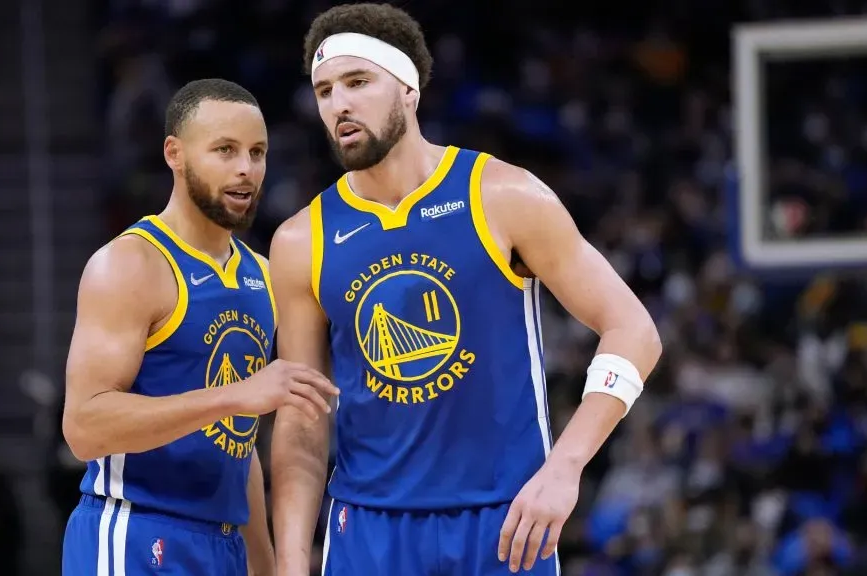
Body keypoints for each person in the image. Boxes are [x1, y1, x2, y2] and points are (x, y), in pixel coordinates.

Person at [268, 5, 663, 576]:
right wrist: (290, 561)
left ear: (408, 89)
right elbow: (303, 420)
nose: (339, 105)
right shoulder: (301, 239)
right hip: (369, 531)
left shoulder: (503, 195)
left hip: (504, 523)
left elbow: (634, 331)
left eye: (358, 82)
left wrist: (565, 467)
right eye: (325, 90)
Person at [61, 78, 339, 576]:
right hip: (135, 533)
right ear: (175, 153)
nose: (245, 170)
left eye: (257, 153)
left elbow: (236, 444)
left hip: (223, 545)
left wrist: (266, 564)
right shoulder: (130, 264)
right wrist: (236, 396)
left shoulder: (261, 275)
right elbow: (84, 428)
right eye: (225, 150)